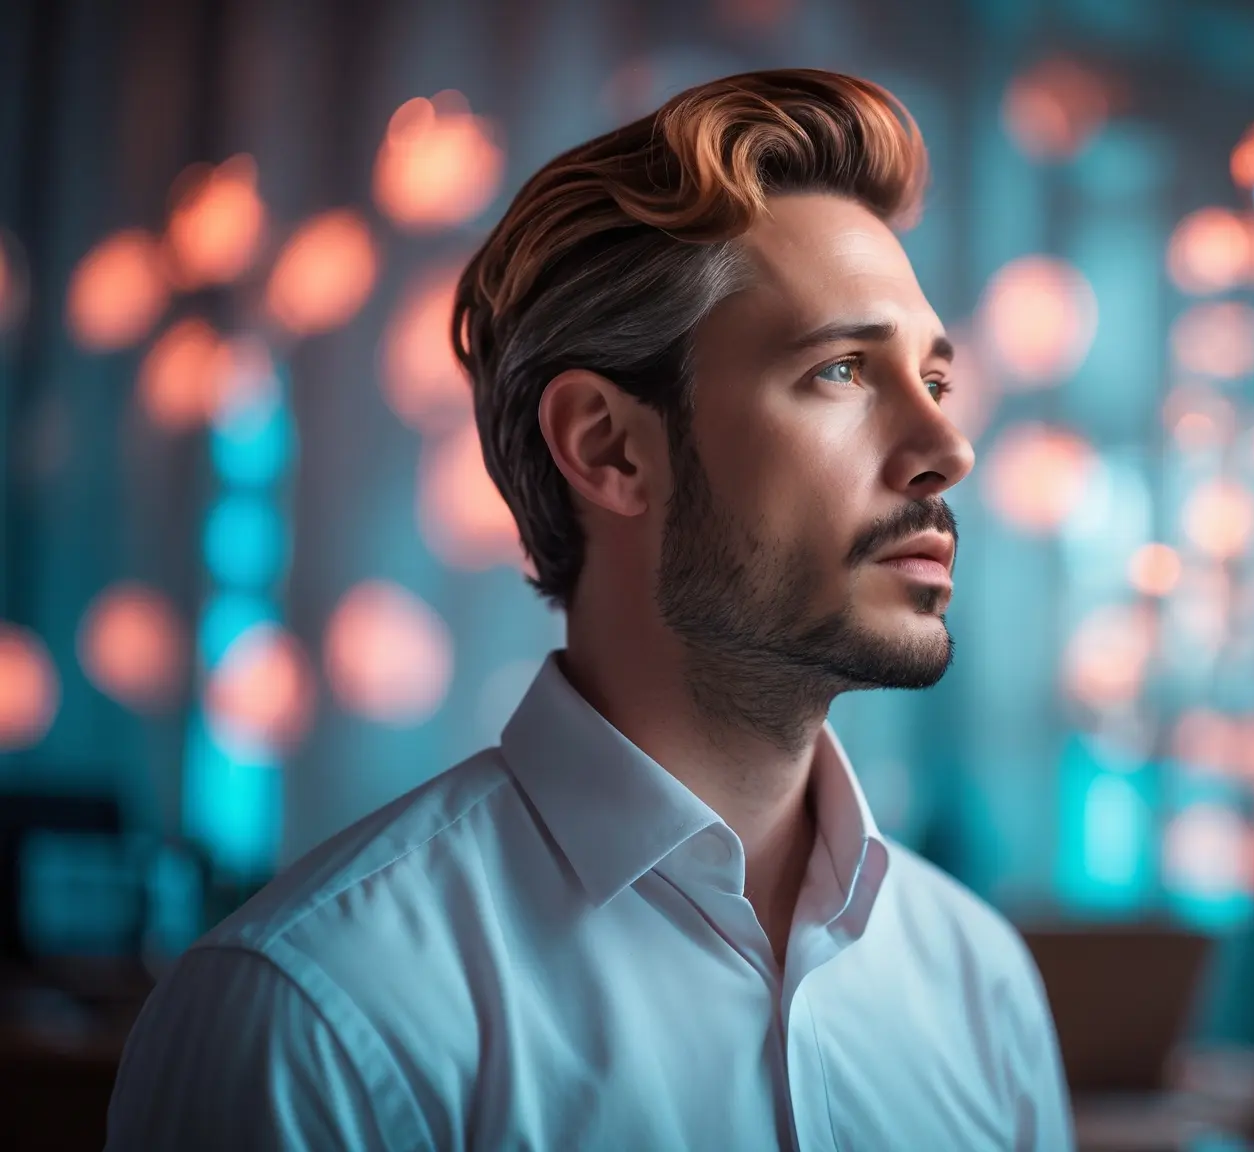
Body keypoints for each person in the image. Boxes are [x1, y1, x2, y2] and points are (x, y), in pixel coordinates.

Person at [106, 68, 1072, 1150]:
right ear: (609, 447)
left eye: (934, 382)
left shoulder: (984, 991)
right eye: (842, 370)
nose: (948, 450)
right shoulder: (317, 1015)